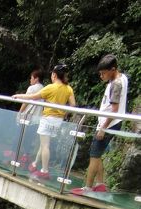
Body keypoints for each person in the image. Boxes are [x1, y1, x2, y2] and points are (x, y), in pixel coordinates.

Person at [71, 54, 129, 195]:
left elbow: (114, 110)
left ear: (113, 69)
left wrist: (103, 128)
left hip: (108, 124)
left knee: (94, 155)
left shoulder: (116, 84)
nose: (101, 76)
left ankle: (88, 188)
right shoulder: (122, 78)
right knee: (98, 153)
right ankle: (100, 184)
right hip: (111, 123)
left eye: (103, 73)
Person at [13, 63, 76, 181]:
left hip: (47, 119)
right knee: (44, 144)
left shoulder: (50, 87)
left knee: (45, 145)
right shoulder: (68, 89)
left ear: (54, 75)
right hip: (58, 121)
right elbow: (72, 105)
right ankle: (35, 164)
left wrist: (18, 96)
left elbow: (32, 97)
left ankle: (44, 171)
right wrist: (63, 113)